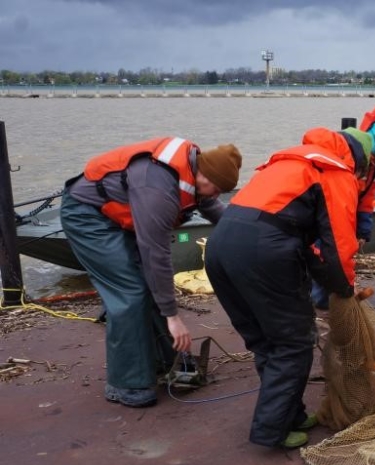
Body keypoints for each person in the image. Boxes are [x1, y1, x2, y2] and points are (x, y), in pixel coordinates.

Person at [204, 127, 370, 449]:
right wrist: (344, 289)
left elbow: (305, 243)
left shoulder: (290, 161)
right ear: (356, 161)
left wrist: (329, 279)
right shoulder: (335, 171)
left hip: (220, 247)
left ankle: (290, 415)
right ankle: (271, 431)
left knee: (266, 340)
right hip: (262, 252)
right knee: (293, 343)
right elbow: (338, 243)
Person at [60, 138, 242, 408]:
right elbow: (155, 254)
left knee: (148, 285)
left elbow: (213, 208)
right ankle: (125, 383)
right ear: (201, 174)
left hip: (121, 215)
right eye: (213, 188)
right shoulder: (157, 190)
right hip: (88, 217)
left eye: (219, 192)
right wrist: (173, 316)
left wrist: (244, 233)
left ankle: (165, 361)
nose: (213, 195)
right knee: (130, 292)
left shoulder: (197, 174)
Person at [311, 101, 375, 309]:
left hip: (341, 213)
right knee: (323, 253)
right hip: (323, 213)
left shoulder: (371, 166)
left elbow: (366, 198)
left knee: (335, 255)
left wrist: (363, 231)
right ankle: (321, 304)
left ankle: (328, 300)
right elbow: (336, 208)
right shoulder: (352, 159)